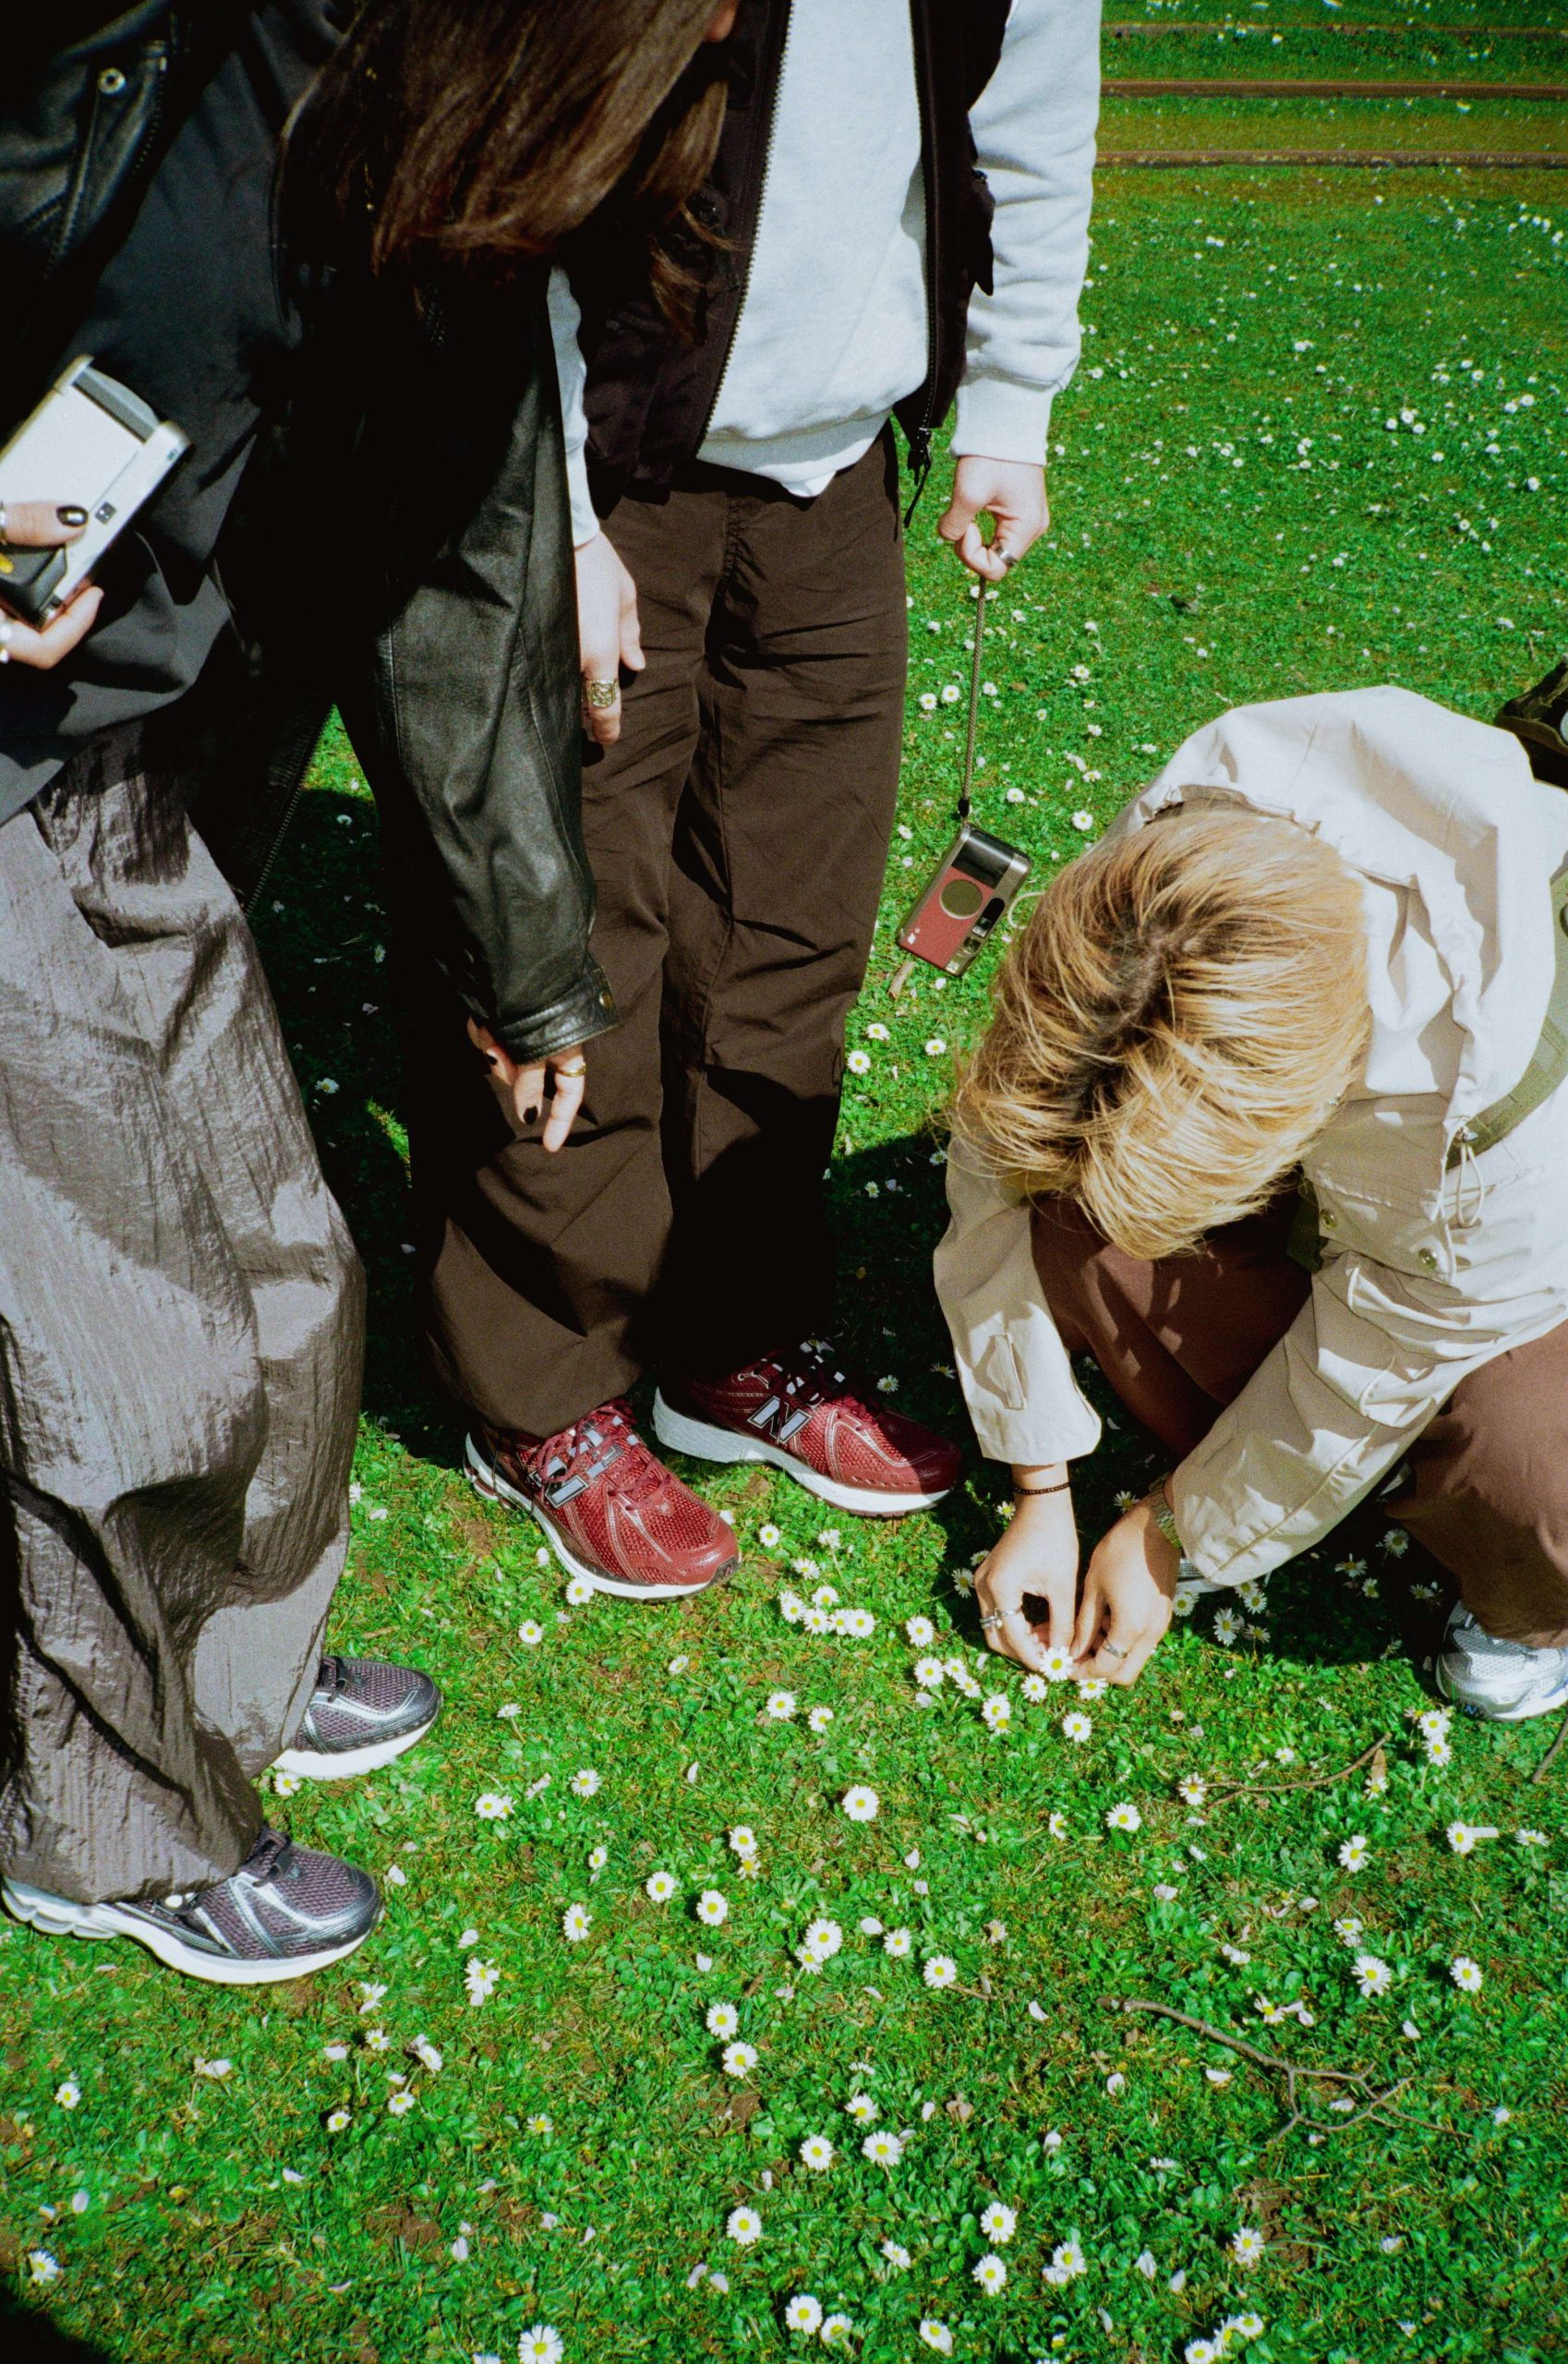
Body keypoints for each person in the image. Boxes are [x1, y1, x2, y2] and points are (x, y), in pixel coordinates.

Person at [0, 0, 736, 1984]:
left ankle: (222, 1684)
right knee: (117, 1342)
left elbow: (468, 581)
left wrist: (528, 965)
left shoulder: (452, 190)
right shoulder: (164, 53)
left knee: (279, 1262)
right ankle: (104, 1826)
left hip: (111, 751)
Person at [397, 0, 1103, 1601]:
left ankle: (730, 1340)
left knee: (792, 926)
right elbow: (510, 168)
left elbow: (1031, 125)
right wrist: (555, 511)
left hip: (834, 471)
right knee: (575, 925)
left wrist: (1007, 406)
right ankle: (543, 1385)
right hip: (603, 460)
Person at [936, 681, 1568, 1719]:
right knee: (1077, 1208)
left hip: (1530, 1245)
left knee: (1535, 1471)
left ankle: (1533, 1610)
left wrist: (1174, 1531)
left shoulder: (1503, 1127)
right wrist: (1037, 1479)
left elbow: (1376, 1368)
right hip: (1385, 1179)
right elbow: (1009, 1148)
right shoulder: (1172, 864)